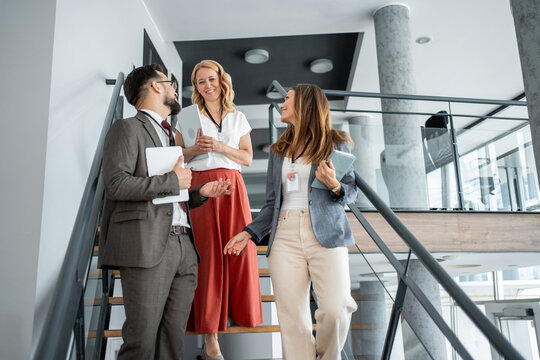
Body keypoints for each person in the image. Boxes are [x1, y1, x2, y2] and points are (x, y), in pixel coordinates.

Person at [98, 64, 234, 360]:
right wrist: (173, 180)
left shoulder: (170, 137)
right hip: (147, 246)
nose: (175, 88)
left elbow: (168, 194)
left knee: (173, 344)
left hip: (184, 247)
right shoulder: (127, 128)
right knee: (141, 343)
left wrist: (198, 194)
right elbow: (116, 185)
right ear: (155, 87)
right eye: (169, 83)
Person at [224, 84, 358, 360]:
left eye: (287, 99)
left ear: (305, 104)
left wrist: (334, 185)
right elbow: (272, 203)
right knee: (293, 322)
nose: (282, 104)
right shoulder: (278, 150)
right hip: (284, 234)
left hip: (327, 235)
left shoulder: (335, 142)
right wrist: (249, 233)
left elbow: (352, 192)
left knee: (336, 308)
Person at [174, 59, 262, 359]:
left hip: (233, 187)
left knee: (239, 248)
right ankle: (211, 338)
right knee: (208, 255)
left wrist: (221, 147)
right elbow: (176, 157)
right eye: (200, 82)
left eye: (211, 79)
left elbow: (248, 158)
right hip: (200, 188)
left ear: (221, 80)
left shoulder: (238, 118)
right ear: (196, 87)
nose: (207, 85)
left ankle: (241, 312)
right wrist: (194, 150)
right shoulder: (188, 116)